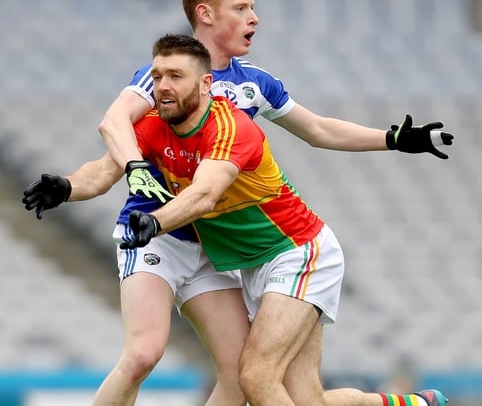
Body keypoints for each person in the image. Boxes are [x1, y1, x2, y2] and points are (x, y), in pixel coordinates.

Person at [24, 34, 448, 406]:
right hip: (245, 263)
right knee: (304, 399)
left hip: (297, 254)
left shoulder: (231, 128)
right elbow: (103, 170)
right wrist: (64, 186)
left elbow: (205, 194)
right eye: (157, 77)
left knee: (255, 377)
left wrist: (154, 223)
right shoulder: (153, 123)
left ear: (206, 84)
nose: (162, 87)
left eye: (175, 76)